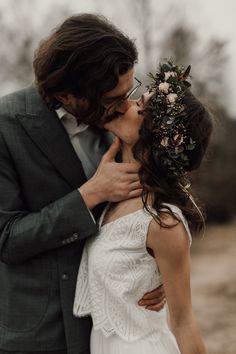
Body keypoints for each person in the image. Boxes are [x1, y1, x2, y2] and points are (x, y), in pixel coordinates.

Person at [0, 14, 165, 354]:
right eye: (111, 99)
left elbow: (146, 211)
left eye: (129, 90)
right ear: (67, 94)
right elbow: (7, 239)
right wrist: (90, 194)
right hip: (41, 334)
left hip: (116, 326)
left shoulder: (121, 122)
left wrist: (158, 269)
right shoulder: (6, 125)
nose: (126, 105)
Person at [73, 60, 213, 354]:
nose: (126, 104)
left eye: (140, 103)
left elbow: (184, 323)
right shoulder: (113, 197)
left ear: (157, 133)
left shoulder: (163, 222)